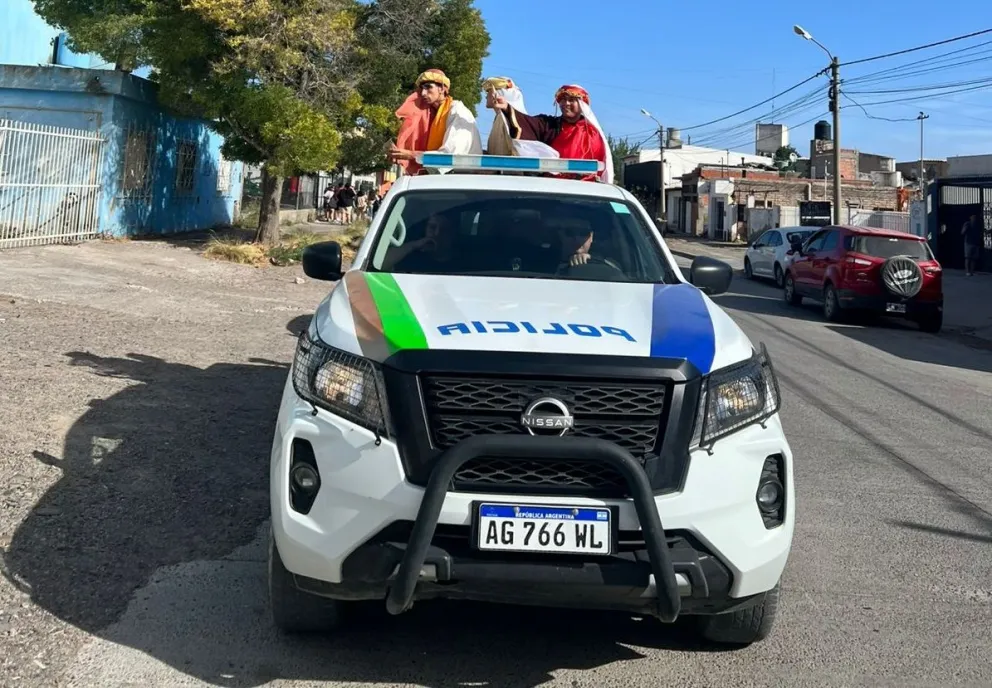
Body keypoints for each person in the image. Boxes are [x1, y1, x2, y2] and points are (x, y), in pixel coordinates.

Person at [487, 84, 613, 183]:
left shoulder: (593, 133)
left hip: (584, 190)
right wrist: (507, 108)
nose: (566, 104)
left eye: (571, 100)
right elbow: (527, 122)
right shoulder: (549, 125)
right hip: (552, 187)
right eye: (563, 100)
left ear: (582, 104)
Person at [389, 69, 483, 175]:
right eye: (422, 89)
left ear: (442, 88)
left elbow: (449, 157)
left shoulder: (458, 111)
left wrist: (411, 155)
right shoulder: (431, 115)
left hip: (462, 179)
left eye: (428, 87)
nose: (423, 93)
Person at [480, 76, 559, 159]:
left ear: (498, 93)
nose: (486, 96)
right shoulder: (500, 119)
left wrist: (507, 109)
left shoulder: (515, 123)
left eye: (489, 91)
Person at [382, 213, 457, 272]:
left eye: (444, 229)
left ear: (452, 234)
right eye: (432, 227)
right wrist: (413, 245)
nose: (437, 233)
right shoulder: (412, 257)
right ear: (425, 229)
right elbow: (381, 264)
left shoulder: (461, 262)